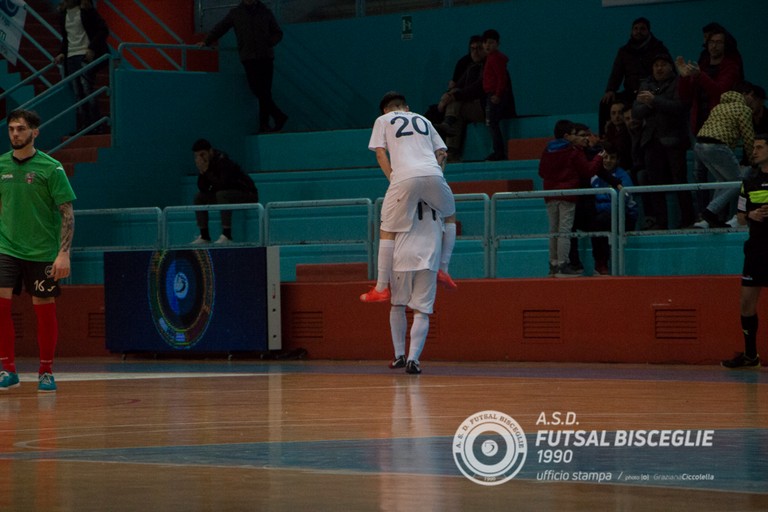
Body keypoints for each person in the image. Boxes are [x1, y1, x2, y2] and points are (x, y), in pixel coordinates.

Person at [0, 109, 76, 393]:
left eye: (21, 129)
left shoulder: (51, 168)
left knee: (43, 310)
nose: (15, 134)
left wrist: (63, 253)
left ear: (35, 132)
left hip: (43, 251)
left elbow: (67, 213)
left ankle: (45, 371)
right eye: (11, 129)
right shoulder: (1, 165)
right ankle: (8, 369)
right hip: (6, 247)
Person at [360, 92, 457, 303]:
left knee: (387, 230)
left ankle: (381, 287)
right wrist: (438, 172)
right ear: (406, 107)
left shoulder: (383, 120)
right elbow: (442, 153)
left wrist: (392, 178)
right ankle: (444, 269)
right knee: (449, 216)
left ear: (386, 110)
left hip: (404, 176)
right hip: (433, 173)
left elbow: (379, 153)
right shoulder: (424, 119)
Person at [198, 0, 287, 133]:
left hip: (264, 56)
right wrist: (207, 41)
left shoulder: (265, 12)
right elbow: (221, 27)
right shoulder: (236, 13)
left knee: (264, 92)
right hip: (250, 57)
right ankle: (277, 116)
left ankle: (266, 124)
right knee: (259, 90)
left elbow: (277, 32)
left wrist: (269, 42)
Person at [721, 134, 768, 369]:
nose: (755, 151)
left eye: (760, 147)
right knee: (746, 304)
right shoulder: (748, 183)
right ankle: (751, 356)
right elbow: (740, 218)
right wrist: (751, 215)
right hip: (756, 251)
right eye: (754, 147)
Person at [538, 120, 608, 277]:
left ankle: (553, 265)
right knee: (564, 230)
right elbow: (588, 171)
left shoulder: (547, 149)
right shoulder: (572, 151)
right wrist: (599, 157)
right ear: (567, 136)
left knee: (553, 229)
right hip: (567, 194)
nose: (579, 138)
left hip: (549, 194)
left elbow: (541, 172)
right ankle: (563, 265)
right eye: (575, 134)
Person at [632, 53, 694, 230]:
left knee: (679, 181)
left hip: (674, 140)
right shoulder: (646, 84)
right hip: (651, 140)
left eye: (663, 65)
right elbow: (636, 111)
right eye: (656, 65)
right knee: (654, 183)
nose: (659, 68)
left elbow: (680, 107)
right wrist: (654, 104)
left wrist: (654, 101)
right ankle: (661, 222)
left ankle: (688, 219)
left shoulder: (677, 82)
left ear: (670, 67)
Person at [388, 202, 444, 375]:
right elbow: (447, 229)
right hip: (429, 257)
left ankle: (400, 356)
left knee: (397, 305)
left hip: (402, 258)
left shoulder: (399, 194)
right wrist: (444, 265)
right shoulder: (440, 196)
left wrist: (381, 279)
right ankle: (413, 359)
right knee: (422, 310)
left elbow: (386, 234)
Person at [692, 87, 755, 229]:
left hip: (699, 146)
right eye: (749, 95)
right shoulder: (743, 109)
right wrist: (752, 160)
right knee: (739, 182)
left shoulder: (718, 108)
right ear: (743, 96)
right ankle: (710, 212)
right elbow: (748, 138)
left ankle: (707, 220)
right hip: (717, 146)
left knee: (722, 181)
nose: (751, 98)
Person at [599, 17, 669, 137]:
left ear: (648, 31)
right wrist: (610, 90)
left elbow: (669, 69)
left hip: (652, 91)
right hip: (630, 92)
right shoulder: (624, 51)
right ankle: (605, 138)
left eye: (642, 29)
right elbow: (616, 73)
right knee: (605, 102)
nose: (638, 31)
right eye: (635, 29)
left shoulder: (658, 48)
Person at [54, 0, 109, 134]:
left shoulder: (86, 11)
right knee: (78, 92)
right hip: (71, 56)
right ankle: (85, 125)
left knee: (87, 89)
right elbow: (66, 38)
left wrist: (92, 48)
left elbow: (103, 30)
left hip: (84, 54)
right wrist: (62, 53)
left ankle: (96, 124)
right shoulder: (64, 14)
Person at [190, 139, 259, 244]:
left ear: (210, 151)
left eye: (203, 154)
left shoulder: (223, 161)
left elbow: (223, 184)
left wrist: (207, 172)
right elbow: (203, 188)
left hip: (246, 193)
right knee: (199, 197)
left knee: (222, 195)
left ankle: (227, 235)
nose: (201, 158)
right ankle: (204, 236)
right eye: (197, 156)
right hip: (225, 194)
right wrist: (202, 172)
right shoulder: (205, 166)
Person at [435, 37, 486, 162]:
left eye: (479, 48)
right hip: (472, 106)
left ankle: (449, 131)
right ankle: (451, 150)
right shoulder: (470, 67)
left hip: (487, 108)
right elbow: (458, 86)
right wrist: (446, 96)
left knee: (456, 103)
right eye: (472, 49)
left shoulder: (488, 66)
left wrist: (452, 96)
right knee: (455, 107)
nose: (475, 52)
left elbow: (477, 88)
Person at [590, 142, 638, 275]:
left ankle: (601, 263)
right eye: (605, 157)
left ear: (617, 160)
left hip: (625, 217)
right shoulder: (593, 176)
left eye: (612, 157)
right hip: (603, 215)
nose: (608, 161)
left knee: (600, 221)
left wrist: (596, 208)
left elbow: (619, 203)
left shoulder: (623, 177)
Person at [481, 29, 513, 161]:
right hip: (492, 94)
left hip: (494, 95)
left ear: (497, 44)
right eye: (486, 43)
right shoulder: (491, 58)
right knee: (492, 124)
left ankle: (498, 151)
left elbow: (501, 78)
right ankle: (497, 150)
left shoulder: (495, 59)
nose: (488, 46)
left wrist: (498, 94)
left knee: (492, 123)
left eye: (491, 43)